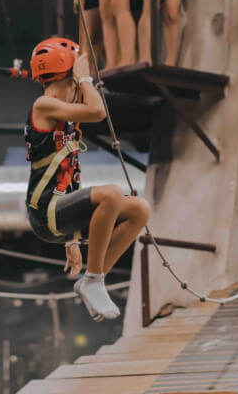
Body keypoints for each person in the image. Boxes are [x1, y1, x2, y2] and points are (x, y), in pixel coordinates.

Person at [25, 37, 151, 321]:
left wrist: (71, 240)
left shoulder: (63, 117)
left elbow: (67, 173)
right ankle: (94, 280)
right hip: (45, 211)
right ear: (71, 76)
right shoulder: (44, 105)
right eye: (75, 81)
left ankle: (94, 279)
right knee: (111, 194)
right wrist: (85, 79)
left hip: (61, 207)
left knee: (139, 210)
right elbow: (97, 111)